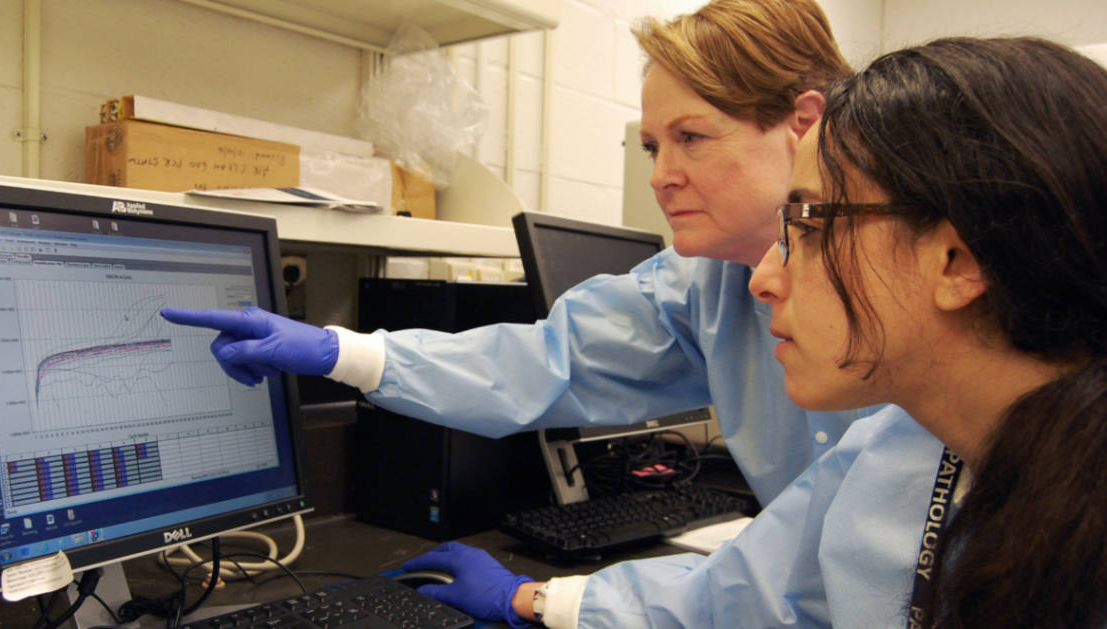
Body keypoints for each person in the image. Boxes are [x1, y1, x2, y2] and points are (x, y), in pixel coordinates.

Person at [161, 1, 944, 626]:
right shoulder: (707, 281)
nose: (665, 176)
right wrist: (341, 351)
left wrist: (540, 600)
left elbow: (792, 580)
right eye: (651, 148)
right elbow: (545, 361)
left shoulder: (920, 315)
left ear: (804, 124)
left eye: (692, 137)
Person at [409, 36, 1107, 628]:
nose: (765, 279)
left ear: (956, 260)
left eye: (805, 224)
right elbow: (749, 593)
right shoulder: (911, 454)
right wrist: (535, 598)